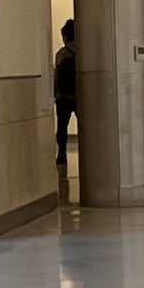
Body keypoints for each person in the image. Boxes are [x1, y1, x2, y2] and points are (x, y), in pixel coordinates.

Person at [51, 18, 79, 172]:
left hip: (63, 97)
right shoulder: (84, 53)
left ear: (65, 37)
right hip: (79, 96)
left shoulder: (61, 54)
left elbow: (56, 76)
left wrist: (55, 93)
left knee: (62, 127)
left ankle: (62, 154)